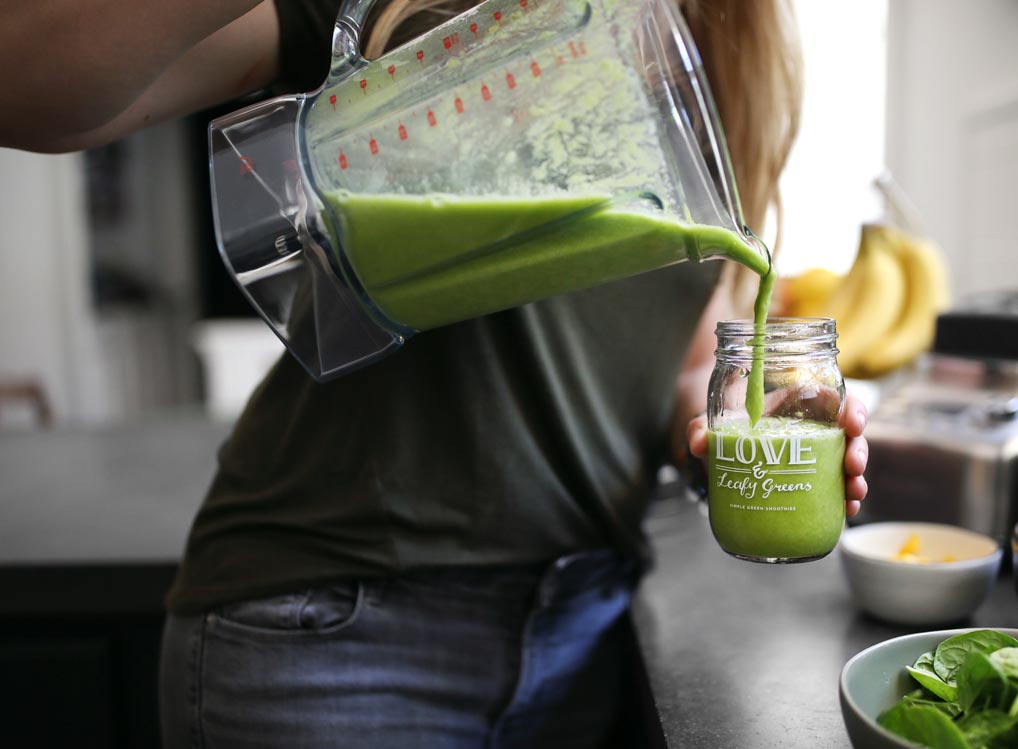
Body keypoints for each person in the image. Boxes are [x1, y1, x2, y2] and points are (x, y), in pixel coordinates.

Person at [2, 1, 869, 746]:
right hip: (338, 640)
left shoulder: (731, 44)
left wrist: (726, 440)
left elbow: (686, 360)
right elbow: (30, 83)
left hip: (578, 634)